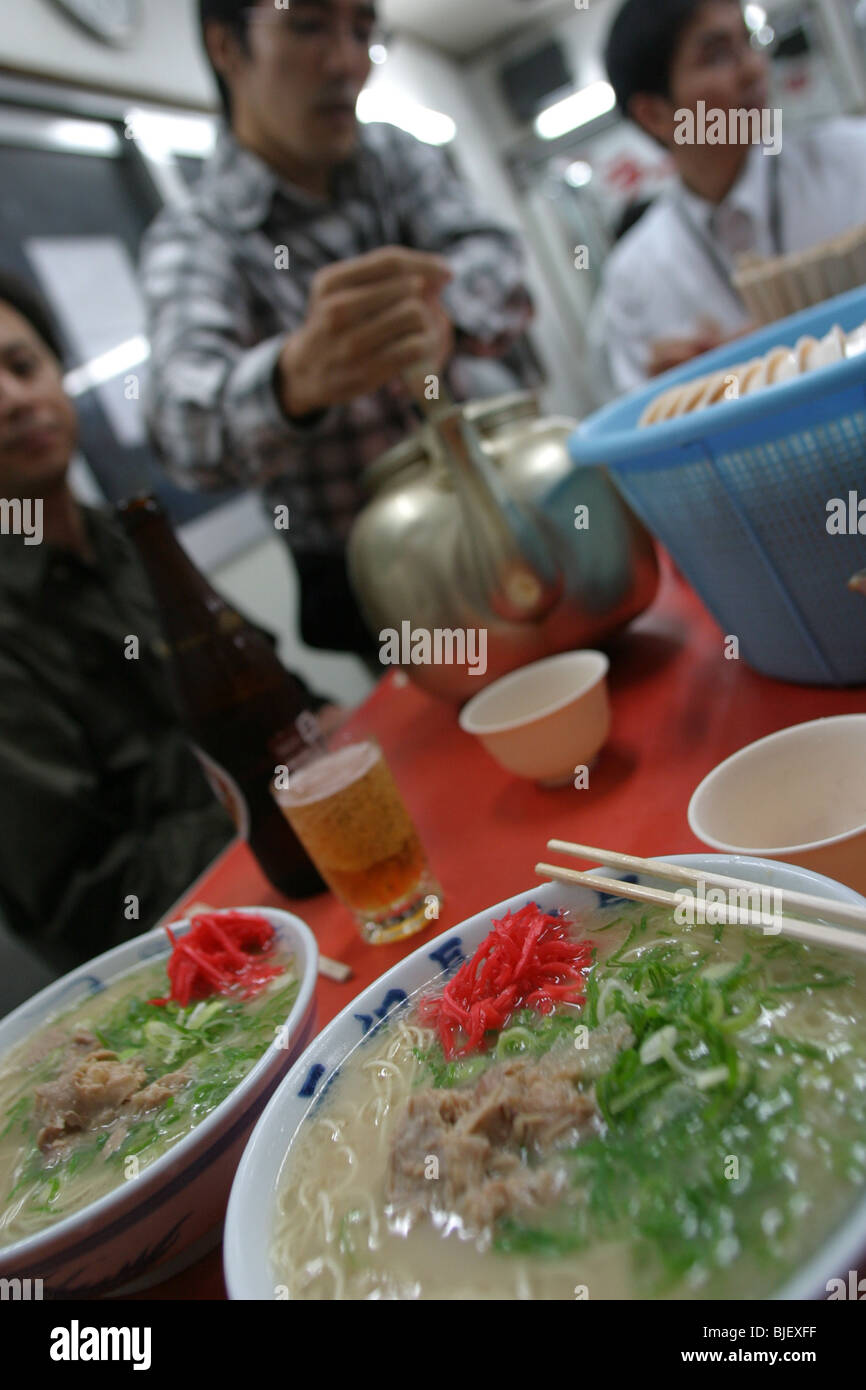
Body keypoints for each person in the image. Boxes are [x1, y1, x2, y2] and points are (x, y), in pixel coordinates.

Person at [139, 0, 535, 660]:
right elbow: (181, 425)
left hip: (500, 506)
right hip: (375, 576)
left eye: (362, 30)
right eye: (308, 25)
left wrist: (448, 313)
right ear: (227, 47)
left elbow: (497, 255)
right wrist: (293, 381)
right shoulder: (198, 238)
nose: (348, 61)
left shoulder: (392, 158)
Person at [0, 273, 323, 972]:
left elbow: (278, 687)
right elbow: (88, 897)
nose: (13, 398)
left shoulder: (132, 542)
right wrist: (276, 789)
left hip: (308, 862)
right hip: (189, 961)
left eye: (22, 366)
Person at [594, 0, 866, 394]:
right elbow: (650, 426)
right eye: (718, 56)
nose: (754, 69)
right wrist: (684, 390)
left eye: (749, 42)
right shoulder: (634, 277)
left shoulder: (852, 158)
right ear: (653, 113)